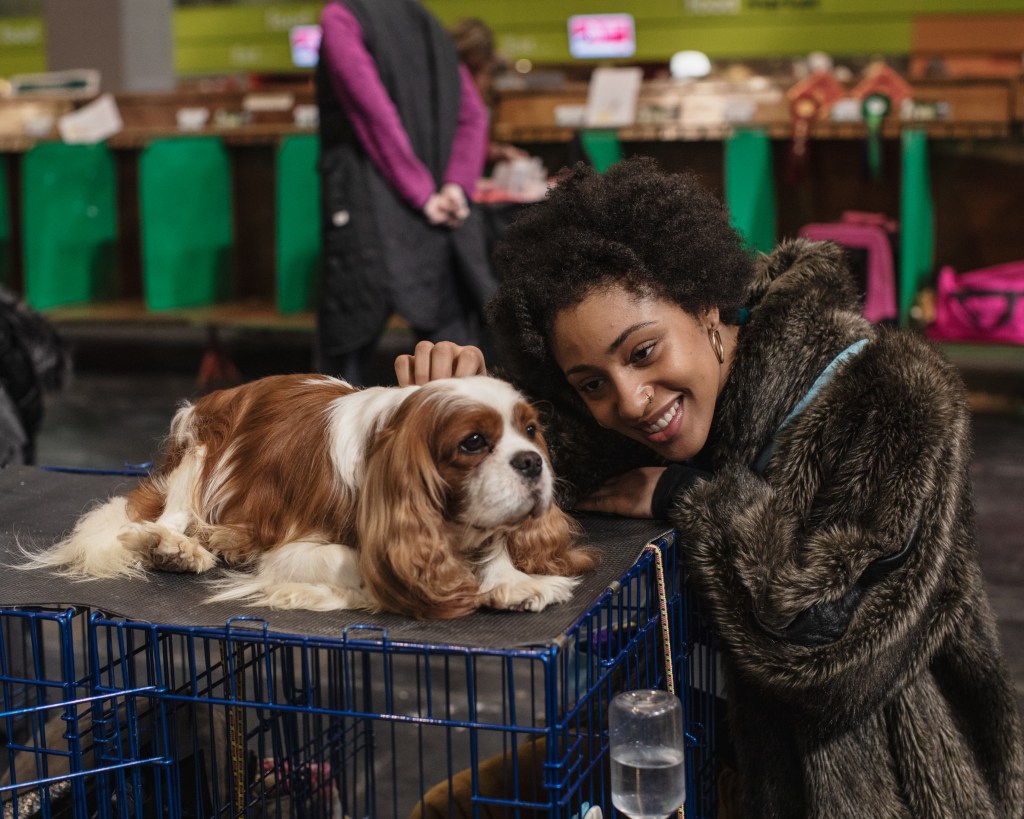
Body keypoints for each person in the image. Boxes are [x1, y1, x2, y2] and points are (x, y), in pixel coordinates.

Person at [396, 157, 1024, 817]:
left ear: (704, 304)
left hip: (864, 781)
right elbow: (543, 465)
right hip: (692, 741)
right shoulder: (636, 421)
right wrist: (462, 416)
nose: (632, 401)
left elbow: (832, 650)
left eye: (642, 351)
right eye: (591, 383)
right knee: (453, 805)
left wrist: (684, 498)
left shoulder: (889, 394)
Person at [315, 0, 496, 385]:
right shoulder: (425, 19)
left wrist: (422, 193)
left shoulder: (342, 16)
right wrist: (454, 188)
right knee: (453, 367)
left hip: (368, 207)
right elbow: (474, 114)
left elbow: (371, 112)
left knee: (342, 368)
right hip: (439, 215)